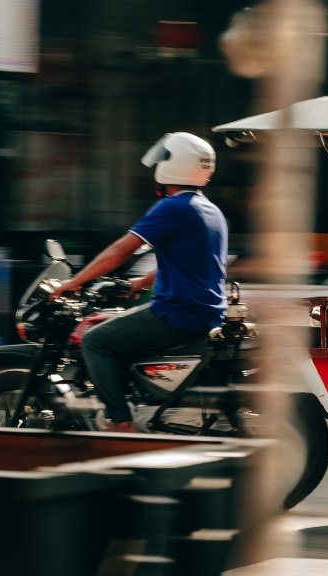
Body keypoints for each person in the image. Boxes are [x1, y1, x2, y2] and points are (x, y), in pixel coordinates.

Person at [50, 132, 228, 433]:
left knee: (95, 340)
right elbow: (191, 263)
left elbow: (121, 250)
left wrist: (74, 282)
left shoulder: (173, 207)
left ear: (172, 165)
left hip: (177, 314)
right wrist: (140, 283)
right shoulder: (210, 210)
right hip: (206, 312)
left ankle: (120, 422)